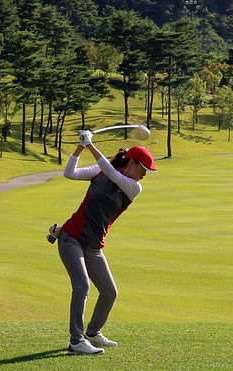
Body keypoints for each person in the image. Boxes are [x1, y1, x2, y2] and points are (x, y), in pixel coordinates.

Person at [51, 130, 156, 355]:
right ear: (132, 162)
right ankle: (76, 341)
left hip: (94, 245)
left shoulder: (134, 187)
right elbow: (70, 173)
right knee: (82, 286)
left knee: (109, 292)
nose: (145, 174)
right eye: (144, 169)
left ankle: (92, 333)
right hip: (71, 237)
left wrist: (91, 145)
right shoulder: (101, 171)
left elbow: (112, 174)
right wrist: (81, 146)